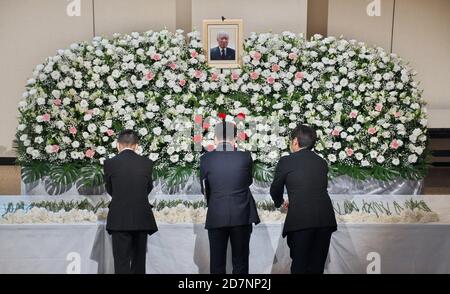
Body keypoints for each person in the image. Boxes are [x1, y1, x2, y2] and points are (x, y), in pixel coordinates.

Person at [270, 124, 337, 274]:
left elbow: (275, 189)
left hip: (301, 219)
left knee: (299, 265)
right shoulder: (321, 162)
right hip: (325, 219)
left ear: (295, 141)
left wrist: (280, 203)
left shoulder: (286, 161)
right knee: (317, 266)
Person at [200, 121, 260, 274]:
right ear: (235, 139)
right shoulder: (245, 157)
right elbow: (248, 181)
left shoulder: (206, 159)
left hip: (217, 213)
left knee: (217, 264)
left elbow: (204, 188)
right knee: (240, 263)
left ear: (215, 138)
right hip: (241, 214)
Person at [104, 129, 158, 274]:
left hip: (119, 217)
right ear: (136, 146)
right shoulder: (147, 163)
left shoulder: (109, 163)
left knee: (121, 262)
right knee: (139, 262)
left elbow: (110, 188)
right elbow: (148, 187)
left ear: (118, 145)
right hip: (141, 216)